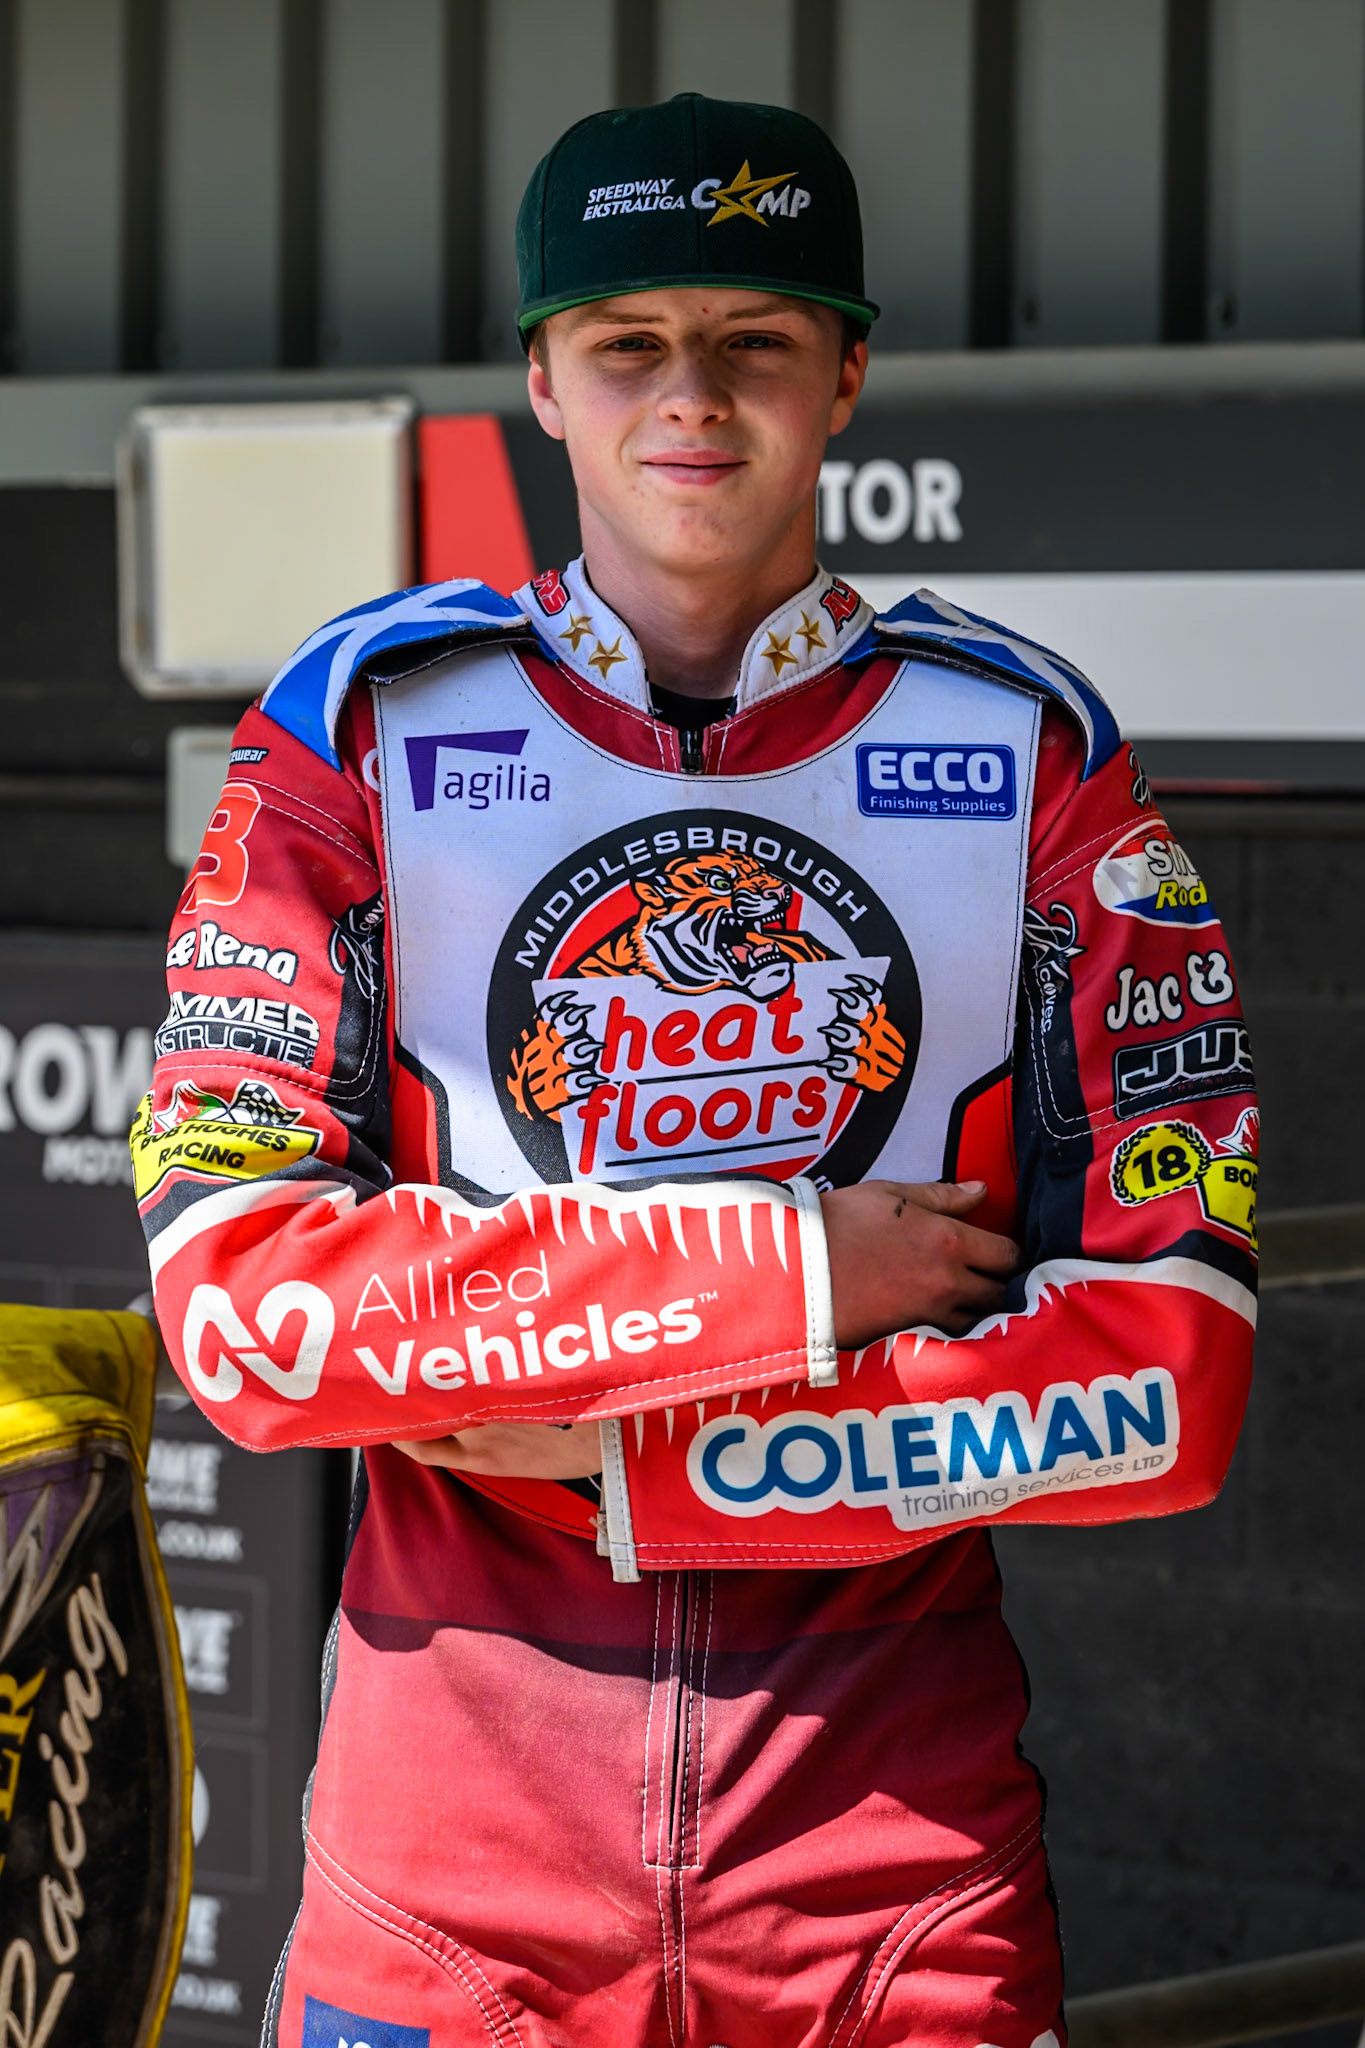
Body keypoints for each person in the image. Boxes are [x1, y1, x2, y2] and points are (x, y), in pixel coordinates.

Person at [133, 92, 1256, 2048]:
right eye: (626, 342)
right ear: (540, 384)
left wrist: (649, 1459)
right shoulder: (358, 723)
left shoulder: (1025, 744)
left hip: (892, 1894)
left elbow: (1166, 1382)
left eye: (752, 340)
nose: (691, 398)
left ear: (844, 375)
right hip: (443, 1898)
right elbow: (247, 1323)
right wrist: (800, 1271)